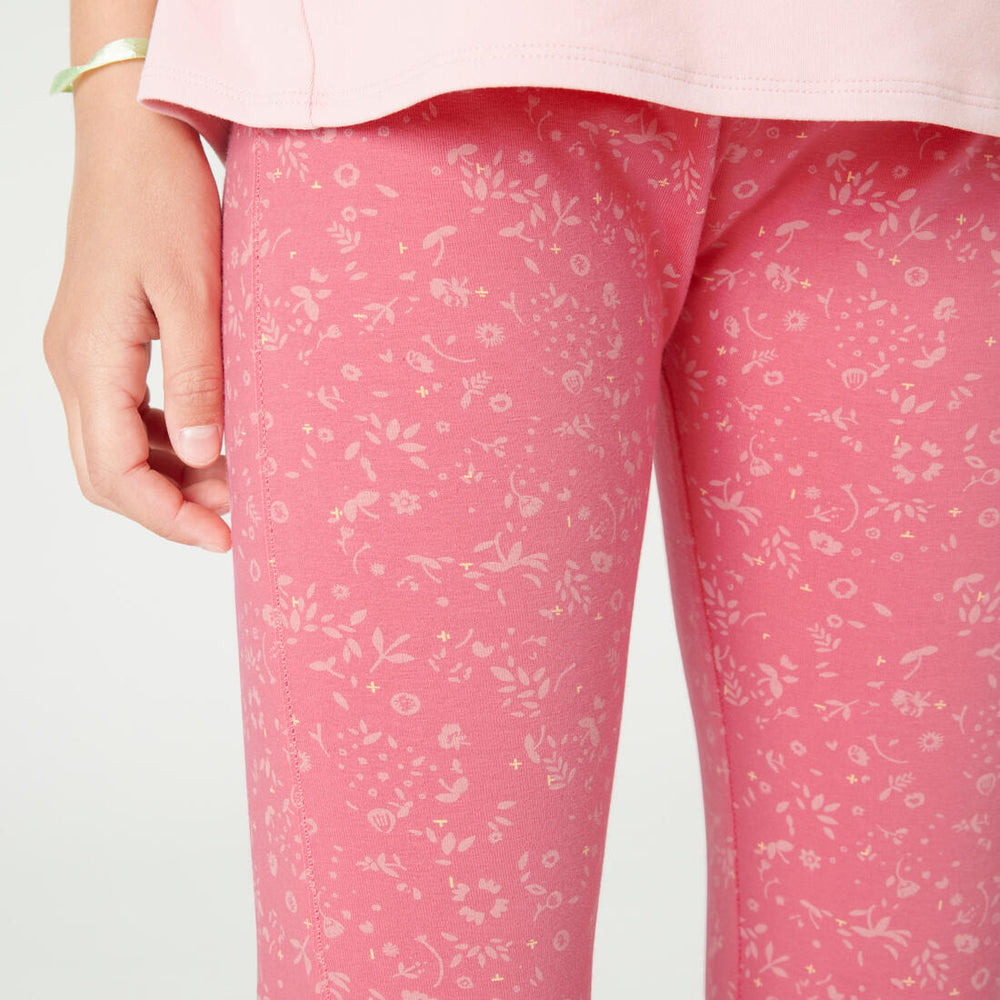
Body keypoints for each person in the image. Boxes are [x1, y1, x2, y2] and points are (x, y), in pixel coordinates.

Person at [45, 2, 1000, 998]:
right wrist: (117, 89)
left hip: (938, 108)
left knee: (914, 957)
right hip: (410, 97)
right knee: (421, 962)